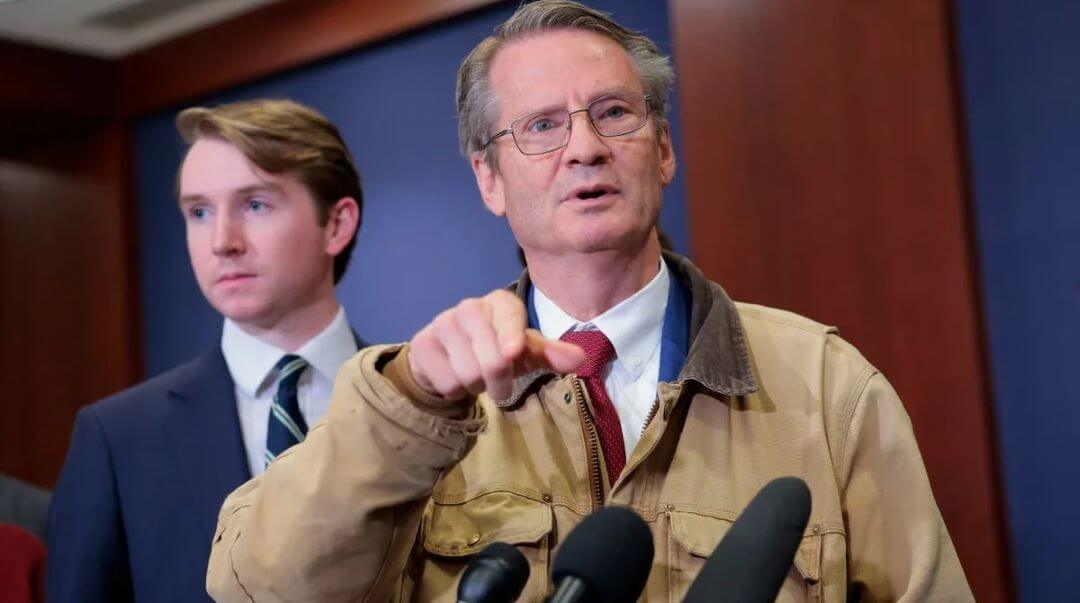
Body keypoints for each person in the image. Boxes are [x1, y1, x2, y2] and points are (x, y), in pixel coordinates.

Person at [207, 3, 973, 601]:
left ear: (662, 149)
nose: (585, 148)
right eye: (542, 126)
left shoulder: (829, 387)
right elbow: (256, 586)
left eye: (613, 112)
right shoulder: (419, 402)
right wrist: (412, 405)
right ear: (489, 179)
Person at [47, 99, 368, 603]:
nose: (222, 241)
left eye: (255, 205)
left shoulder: (428, 407)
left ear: (336, 224)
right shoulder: (118, 439)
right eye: (199, 212)